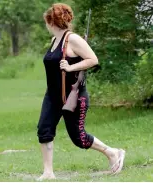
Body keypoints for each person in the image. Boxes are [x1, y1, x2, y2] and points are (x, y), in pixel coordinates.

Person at [37, 3, 125, 181]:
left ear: (50, 22)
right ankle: (48, 172)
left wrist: (70, 67)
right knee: (44, 130)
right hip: (53, 96)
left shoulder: (73, 39)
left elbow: (93, 59)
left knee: (79, 138)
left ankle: (113, 153)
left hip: (73, 96)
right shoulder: (54, 40)